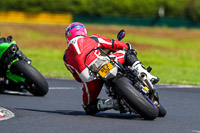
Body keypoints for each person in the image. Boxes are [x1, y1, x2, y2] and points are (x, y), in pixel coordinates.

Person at [63, 22, 159, 115]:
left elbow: (77, 78)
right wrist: (126, 47)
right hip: (104, 63)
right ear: (83, 32)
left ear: (68, 36)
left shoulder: (65, 57)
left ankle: (113, 104)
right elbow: (112, 43)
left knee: (88, 107)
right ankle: (146, 74)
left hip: (90, 78)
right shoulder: (93, 38)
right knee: (126, 53)